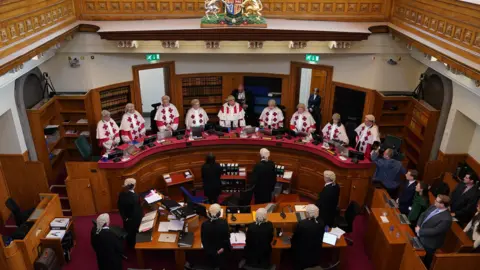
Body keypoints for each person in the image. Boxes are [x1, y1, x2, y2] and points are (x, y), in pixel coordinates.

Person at [415, 195, 453, 268]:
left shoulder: (447, 219)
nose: (434, 201)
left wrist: (420, 231)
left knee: (424, 262)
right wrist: (418, 225)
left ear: (442, 205)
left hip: (429, 243)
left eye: (437, 201)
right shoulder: (434, 206)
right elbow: (423, 214)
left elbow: (435, 231)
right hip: (420, 233)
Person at [291, 204, 325, 270]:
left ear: (307, 213)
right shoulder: (321, 223)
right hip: (315, 253)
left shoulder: (302, 224)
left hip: (302, 254)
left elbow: (295, 238)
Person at [201, 204, 231, 269]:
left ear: (209, 213)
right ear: (219, 213)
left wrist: (213, 252)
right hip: (222, 252)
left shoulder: (204, 224)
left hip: (210, 253)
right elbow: (227, 238)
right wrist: (221, 250)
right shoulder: (224, 223)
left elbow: (203, 240)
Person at [117, 178, 143, 248]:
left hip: (126, 217)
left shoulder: (121, 193)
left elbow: (120, 206)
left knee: (128, 231)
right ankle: (135, 245)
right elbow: (137, 210)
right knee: (134, 231)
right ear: (133, 185)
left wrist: (124, 217)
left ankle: (130, 243)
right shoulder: (135, 197)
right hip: (134, 219)